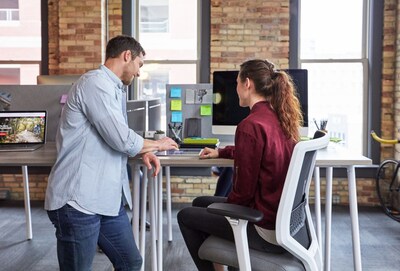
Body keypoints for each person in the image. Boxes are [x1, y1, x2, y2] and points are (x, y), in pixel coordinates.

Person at [45, 35, 178, 271]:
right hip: (78, 201)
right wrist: (157, 144)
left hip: (105, 200)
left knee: (130, 262)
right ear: (127, 56)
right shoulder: (94, 84)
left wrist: (141, 151)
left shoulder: (114, 88)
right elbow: (121, 139)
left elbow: (116, 137)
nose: (138, 73)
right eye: (139, 65)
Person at [177, 59, 303, 271]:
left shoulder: (250, 125)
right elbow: (261, 152)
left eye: (236, 83)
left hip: (262, 227)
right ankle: (232, 260)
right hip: (281, 221)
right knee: (200, 202)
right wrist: (222, 151)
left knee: (185, 216)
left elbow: (243, 193)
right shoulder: (279, 117)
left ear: (248, 84)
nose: (235, 89)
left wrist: (223, 209)